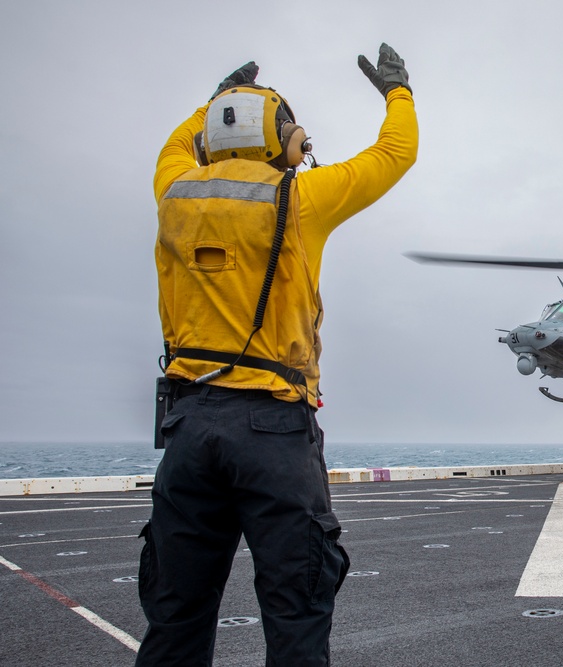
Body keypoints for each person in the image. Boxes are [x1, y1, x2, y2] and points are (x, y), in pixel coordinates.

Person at [137, 44, 418, 666]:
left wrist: (213, 103)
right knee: (296, 613)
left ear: (211, 138)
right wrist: (398, 92)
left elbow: (178, 147)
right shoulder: (302, 200)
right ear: (286, 140)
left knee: (174, 615)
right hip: (272, 430)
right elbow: (395, 154)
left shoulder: (172, 190)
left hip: (187, 427)